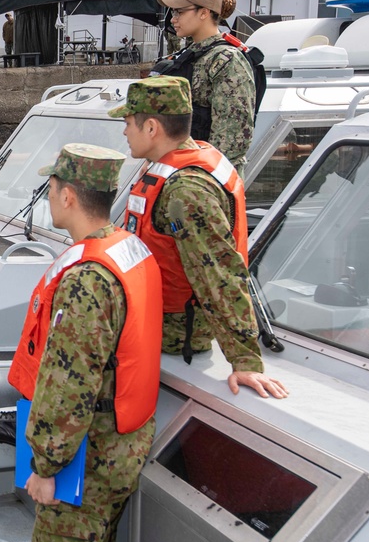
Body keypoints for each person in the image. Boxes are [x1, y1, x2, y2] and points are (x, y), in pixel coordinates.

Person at [0, 143, 164, 542]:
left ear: (67, 195)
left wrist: (47, 468)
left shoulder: (87, 280)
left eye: (50, 187)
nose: (48, 196)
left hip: (87, 462)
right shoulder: (129, 248)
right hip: (125, 445)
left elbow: (69, 383)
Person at [109, 76, 288, 399]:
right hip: (155, 309)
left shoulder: (186, 192)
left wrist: (245, 360)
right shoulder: (189, 156)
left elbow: (219, 274)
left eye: (128, 123)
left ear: (151, 128)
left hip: (173, 330)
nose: (124, 132)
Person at [156, 0, 255, 176]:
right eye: (173, 12)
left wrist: (201, 180)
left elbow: (231, 141)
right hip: (182, 173)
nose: (173, 19)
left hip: (208, 182)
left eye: (180, 12)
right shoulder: (189, 56)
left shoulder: (227, 61)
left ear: (204, 12)